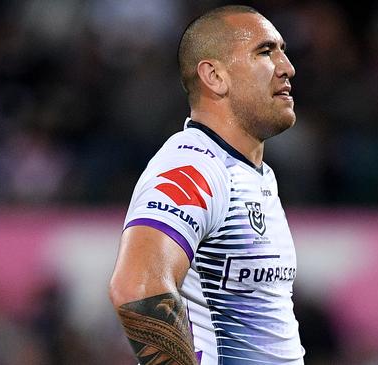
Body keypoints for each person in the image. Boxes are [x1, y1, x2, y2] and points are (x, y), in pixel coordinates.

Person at [108, 5, 304, 364]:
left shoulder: (255, 174)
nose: (287, 67)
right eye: (265, 51)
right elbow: (138, 287)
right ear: (214, 76)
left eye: (283, 51)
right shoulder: (196, 165)